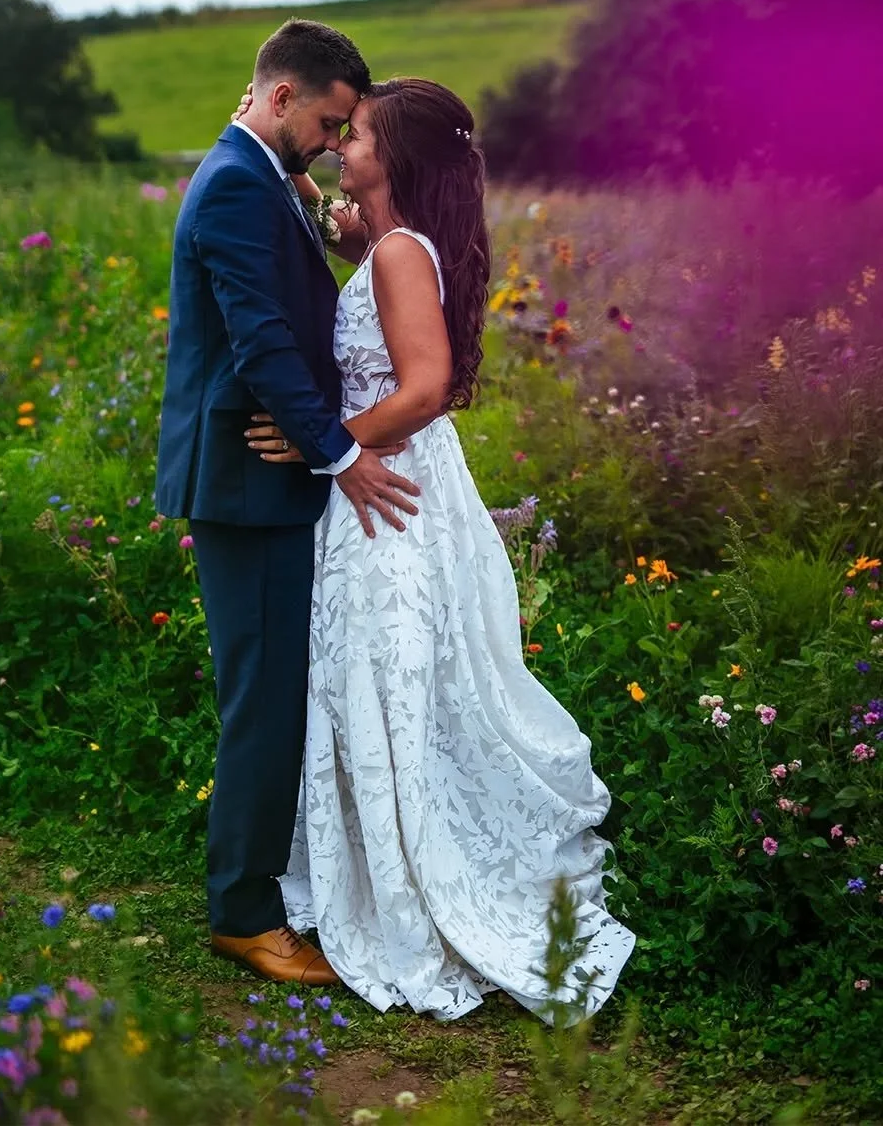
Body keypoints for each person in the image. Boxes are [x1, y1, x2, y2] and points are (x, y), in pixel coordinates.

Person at [242, 78, 636, 1022]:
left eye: (360, 134)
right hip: (394, 476)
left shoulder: (399, 258)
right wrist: (321, 207)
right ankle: (389, 849)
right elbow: (366, 252)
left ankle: (419, 875)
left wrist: (324, 445)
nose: (342, 141)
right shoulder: (386, 244)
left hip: (387, 484)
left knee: (389, 671)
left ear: (400, 157)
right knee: (386, 674)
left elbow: (426, 387)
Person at [154, 20, 421, 987]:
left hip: (262, 470)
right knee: (261, 700)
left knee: (271, 691)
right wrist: (340, 451)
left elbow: (289, 299)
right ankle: (244, 914)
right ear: (277, 98)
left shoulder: (259, 173)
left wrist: (311, 204)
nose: (329, 141)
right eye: (325, 121)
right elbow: (261, 339)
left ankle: (260, 890)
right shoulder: (234, 183)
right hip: (245, 480)